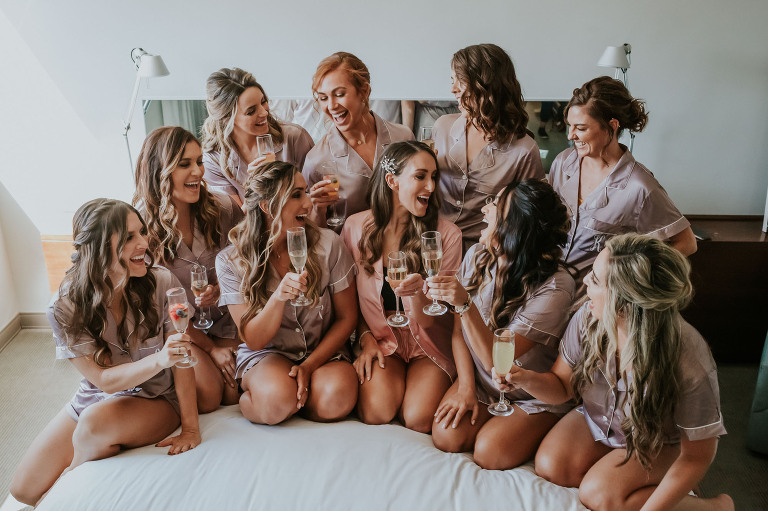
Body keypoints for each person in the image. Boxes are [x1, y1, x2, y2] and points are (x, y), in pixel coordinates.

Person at [502, 233, 732, 511]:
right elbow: (562, 388)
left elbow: (698, 455)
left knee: (598, 494)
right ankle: (630, 480)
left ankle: (716, 507)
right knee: (552, 467)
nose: (585, 280)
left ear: (625, 302)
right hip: (599, 420)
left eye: (596, 279)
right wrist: (524, 378)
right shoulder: (587, 317)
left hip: (657, 440)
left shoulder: (688, 359)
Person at [10, 199, 200, 506]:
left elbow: (181, 361)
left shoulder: (161, 281)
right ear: (99, 249)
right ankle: (106, 445)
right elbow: (101, 381)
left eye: (141, 232)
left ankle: (69, 486)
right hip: (99, 394)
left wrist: (191, 428)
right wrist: (160, 357)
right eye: (128, 238)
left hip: (156, 398)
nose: (144, 243)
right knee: (24, 489)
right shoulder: (64, 305)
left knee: (93, 426)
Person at [426, 179, 574, 469]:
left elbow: (499, 361)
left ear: (514, 227)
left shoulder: (557, 286)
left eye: (495, 205)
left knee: (490, 453)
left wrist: (464, 303)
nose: (485, 209)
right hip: (482, 382)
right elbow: (459, 333)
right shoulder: (478, 256)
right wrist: (466, 387)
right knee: (446, 437)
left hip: (529, 390)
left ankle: (545, 423)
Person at [216, 161, 358, 425]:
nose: (307, 203)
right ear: (268, 206)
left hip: (322, 350)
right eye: (296, 195)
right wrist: (279, 296)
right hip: (269, 354)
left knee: (335, 401)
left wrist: (309, 365)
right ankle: (267, 395)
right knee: (274, 404)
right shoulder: (230, 261)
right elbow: (254, 339)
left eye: (304, 192)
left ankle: (295, 397)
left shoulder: (329, 243)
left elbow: (347, 318)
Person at [340, 141, 461, 432]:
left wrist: (417, 293)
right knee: (376, 413)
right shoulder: (354, 228)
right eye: (420, 176)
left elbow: (431, 320)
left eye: (434, 177)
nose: (431, 187)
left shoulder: (448, 236)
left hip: (429, 344)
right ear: (392, 181)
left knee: (419, 419)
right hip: (384, 341)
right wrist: (365, 338)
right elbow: (347, 304)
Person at [548, 76, 697, 296]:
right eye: (570, 126)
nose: (571, 136)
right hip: (547, 287)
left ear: (612, 126)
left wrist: (627, 282)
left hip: (590, 301)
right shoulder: (563, 162)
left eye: (580, 128)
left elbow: (686, 243)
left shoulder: (640, 187)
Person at [134, 126, 244, 411]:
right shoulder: (141, 231)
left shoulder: (223, 208)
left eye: (198, 162)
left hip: (226, 318)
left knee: (234, 392)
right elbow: (159, 309)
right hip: (181, 329)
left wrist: (223, 290)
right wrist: (211, 350)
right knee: (208, 398)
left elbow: (251, 265)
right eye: (185, 165)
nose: (197, 172)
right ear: (160, 170)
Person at [433, 43, 544, 253]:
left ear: (486, 85)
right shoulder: (442, 127)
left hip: (486, 255)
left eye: (461, 81)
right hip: (435, 247)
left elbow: (528, 217)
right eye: (452, 80)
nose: (453, 89)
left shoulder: (524, 151)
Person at [303, 51, 414, 227]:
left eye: (339, 94)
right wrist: (317, 209)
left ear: (364, 91)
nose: (331, 106)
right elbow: (314, 232)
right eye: (323, 98)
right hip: (349, 251)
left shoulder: (402, 137)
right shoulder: (316, 160)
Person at [201, 67, 314, 206]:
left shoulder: (294, 138)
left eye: (263, 101)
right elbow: (235, 221)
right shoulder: (213, 160)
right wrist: (255, 187)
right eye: (251, 111)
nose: (264, 113)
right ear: (227, 118)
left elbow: (315, 200)